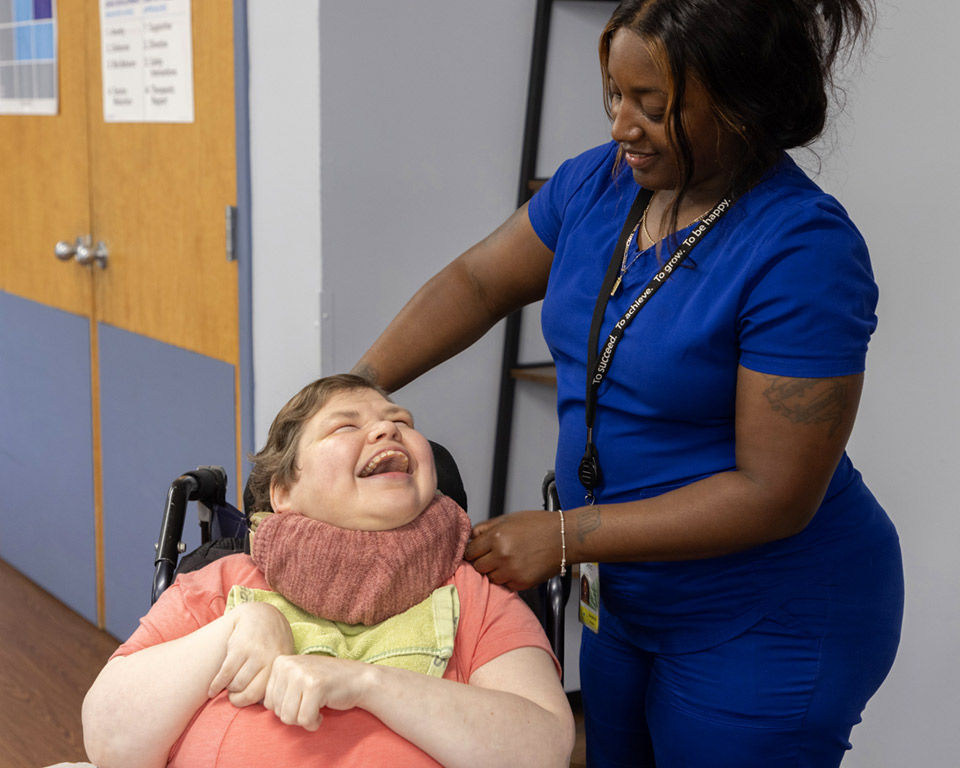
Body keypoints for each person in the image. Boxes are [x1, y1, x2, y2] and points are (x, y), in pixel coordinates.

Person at [351, 1, 904, 765]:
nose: (622, 126)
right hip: (624, 599)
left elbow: (775, 493)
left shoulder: (803, 250)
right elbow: (479, 282)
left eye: (656, 106)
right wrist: (352, 389)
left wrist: (565, 536)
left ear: (744, 104)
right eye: (615, 94)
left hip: (767, 613)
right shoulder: (599, 186)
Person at [81, 374, 575, 768]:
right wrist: (237, 628)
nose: (388, 429)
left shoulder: (475, 595)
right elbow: (109, 744)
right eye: (344, 426)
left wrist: (366, 684)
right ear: (283, 493)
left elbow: (545, 750)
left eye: (400, 420)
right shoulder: (221, 585)